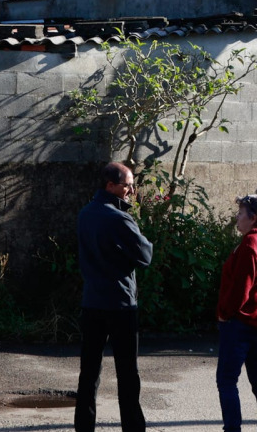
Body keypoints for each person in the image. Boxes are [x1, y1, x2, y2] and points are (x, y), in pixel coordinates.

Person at [76, 162, 153, 432]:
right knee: (128, 374)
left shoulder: (85, 214)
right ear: (111, 186)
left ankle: (84, 427)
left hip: (92, 301)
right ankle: (133, 428)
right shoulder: (119, 218)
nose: (132, 190)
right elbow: (145, 256)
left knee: (89, 373)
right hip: (120, 304)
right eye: (127, 185)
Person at [216, 194, 257, 432]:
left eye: (241, 213)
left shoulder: (250, 245)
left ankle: (232, 429)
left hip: (240, 324)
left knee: (226, 380)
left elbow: (240, 291)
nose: (237, 216)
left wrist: (223, 313)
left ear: (253, 218)